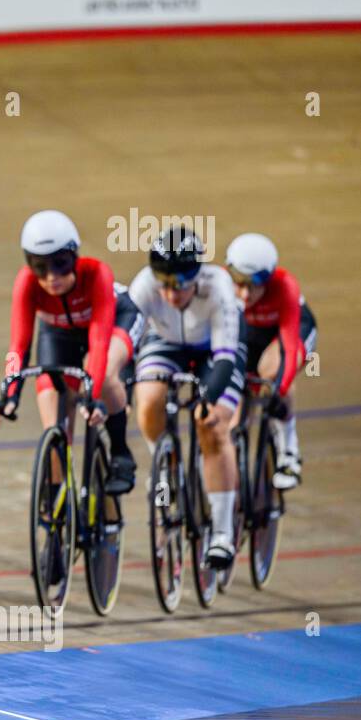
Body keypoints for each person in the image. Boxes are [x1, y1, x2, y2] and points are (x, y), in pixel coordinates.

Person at [0, 210, 142, 495]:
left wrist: (91, 397)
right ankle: (58, 501)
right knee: (52, 413)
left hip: (114, 321)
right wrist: (9, 395)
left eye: (60, 264)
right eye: (40, 266)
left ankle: (120, 454)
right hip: (59, 334)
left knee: (103, 375)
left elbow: (98, 343)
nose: (51, 277)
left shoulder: (97, 274)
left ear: (74, 257)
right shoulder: (26, 283)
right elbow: (18, 346)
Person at [129, 225, 246, 570]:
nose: (169, 293)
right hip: (166, 343)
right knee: (148, 397)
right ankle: (164, 465)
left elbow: (225, 358)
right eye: (163, 283)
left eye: (178, 284)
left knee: (211, 425)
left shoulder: (219, 287)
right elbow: (126, 339)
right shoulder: (144, 285)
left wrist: (208, 397)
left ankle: (223, 532)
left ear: (196, 275)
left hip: (215, 348)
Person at [225, 233, 317, 489]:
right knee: (233, 415)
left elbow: (289, 345)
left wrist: (280, 388)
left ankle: (289, 451)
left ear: (268, 278)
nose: (244, 294)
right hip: (250, 337)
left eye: (253, 285)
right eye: (238, 283)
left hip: (289, 333)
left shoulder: (285, 286)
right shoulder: (220, 283)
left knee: (270, 372)